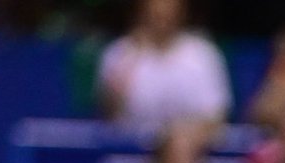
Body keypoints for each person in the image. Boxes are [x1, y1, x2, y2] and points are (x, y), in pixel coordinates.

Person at [97, 0, 231, 130]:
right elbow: (109, 115)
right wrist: (131, 57)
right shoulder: (119, 52)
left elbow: (217, 116)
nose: (162, 13)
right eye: (155, 8)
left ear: (181, 10)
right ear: (142, 9)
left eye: (169, 6)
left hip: (187, 147)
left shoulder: (203, 54)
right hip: (128, 147)